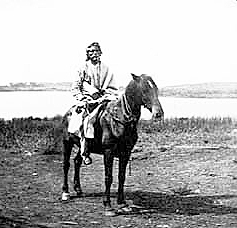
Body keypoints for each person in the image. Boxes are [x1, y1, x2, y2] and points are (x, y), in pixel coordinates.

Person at [68, 42, 119, 165]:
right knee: (87, 121)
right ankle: (85, 152)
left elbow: (112, 86)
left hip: (104, 99)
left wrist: (106, 94)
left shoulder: (106, 68)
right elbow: (75, 87)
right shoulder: (83, 68)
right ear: (87, 54)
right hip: (88, 100)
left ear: (100, 53)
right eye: (90, 52)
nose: (93, 54)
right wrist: (82, 98)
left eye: (96, 51)